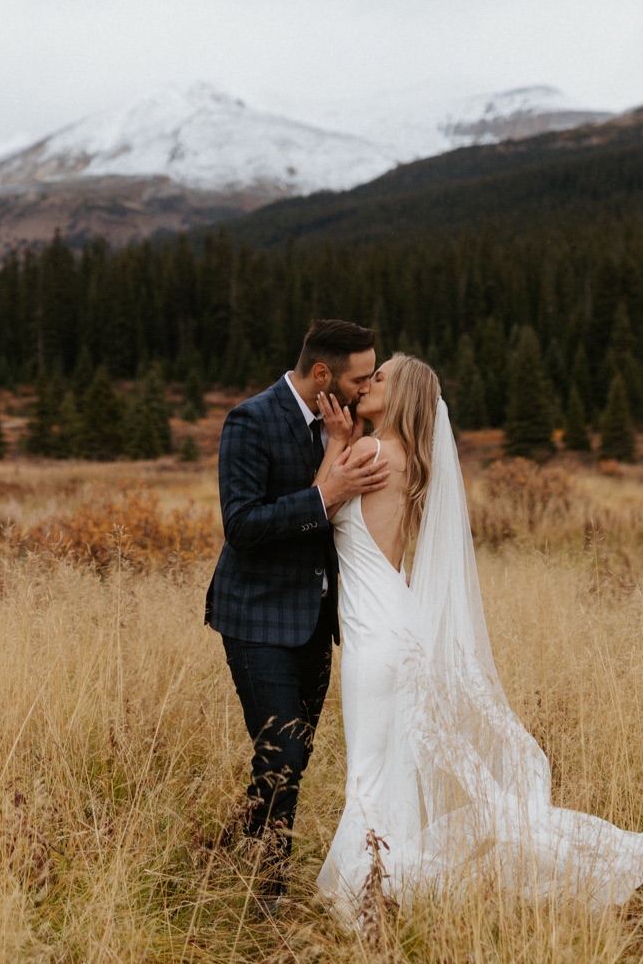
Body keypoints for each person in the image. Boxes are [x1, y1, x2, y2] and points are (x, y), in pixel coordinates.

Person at [312, 353, 643, 918]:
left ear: (399, 396)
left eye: (379, 379)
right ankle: (386, 886)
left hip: (373, 637)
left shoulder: (371, 451)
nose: (366, 385)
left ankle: (362, 899)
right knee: (394, 772)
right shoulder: (409, 459)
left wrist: (336, 439)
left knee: (370, 774)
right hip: (399, 628)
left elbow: (318, 500)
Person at [205, 319, 388, 909]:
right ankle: (266, 898)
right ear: (322, 374)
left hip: (315, 621)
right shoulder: (250, 421)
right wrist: (323, 497)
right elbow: (241, 525)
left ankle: (236, 844)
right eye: (361, 377)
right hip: (255, 617)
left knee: (293, 757)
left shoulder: (347, 426)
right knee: (282, 753)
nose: (366, 388)